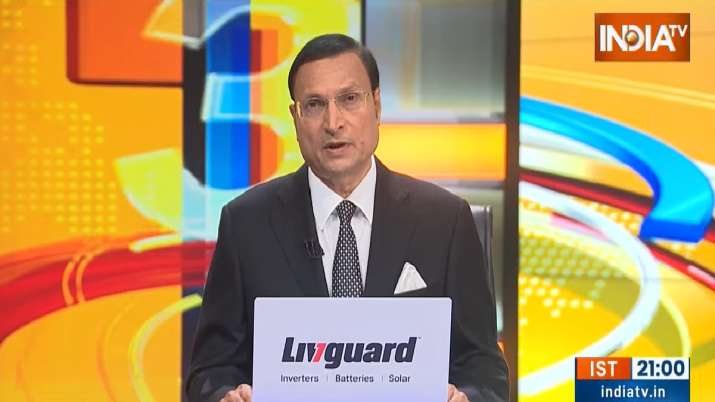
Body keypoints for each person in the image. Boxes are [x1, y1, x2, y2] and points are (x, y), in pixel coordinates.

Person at [186, 33, 508, 402]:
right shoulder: (246, 224)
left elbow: (485, 370)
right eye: (314, 105)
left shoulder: (445, 221)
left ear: (376, 105)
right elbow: (209, 371)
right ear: (295, 118)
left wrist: (466, 397)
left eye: (349, 99)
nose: (333, 122)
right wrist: (226, 395)